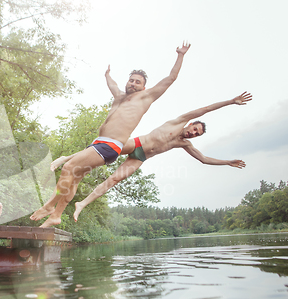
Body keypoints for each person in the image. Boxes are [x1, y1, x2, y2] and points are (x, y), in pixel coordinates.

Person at [31, 42, 191, 227]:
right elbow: (112, 84)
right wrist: (107, 75)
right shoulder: (119, 97)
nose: (133, 83)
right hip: (98, 143)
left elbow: (171, 78)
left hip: (111, 146)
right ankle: (56, 215)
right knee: (74, 178)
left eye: (138, 82)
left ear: (144, 88)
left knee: (68, 167)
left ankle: (50, 205)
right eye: (131, 80)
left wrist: (180, 56)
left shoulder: (146, 98)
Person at [51, 92, 253, 221]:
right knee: (105, 147)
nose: (193, 133)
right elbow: (206, 109)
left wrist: (227, 162)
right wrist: (231, 102)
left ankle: (82, 204)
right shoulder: (178, 121)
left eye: (197, 134)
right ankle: (65, 158)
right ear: (191, 124)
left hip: (141, 157)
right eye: (195, 129)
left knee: (114, 179)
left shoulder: (184, 144)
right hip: (137, 143)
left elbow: (204, 159)